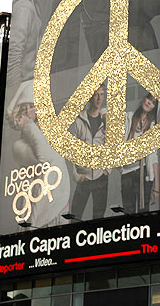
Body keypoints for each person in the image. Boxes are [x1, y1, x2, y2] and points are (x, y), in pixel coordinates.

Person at [7, 81, 70, 228]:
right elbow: (46, 159)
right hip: (37, 217)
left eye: (32, 106)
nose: (29, 112)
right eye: (24, 109)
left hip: (58, 210)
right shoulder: (18, 146)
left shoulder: (54, 134)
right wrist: (28, 125)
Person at [8, 0, 47, 88]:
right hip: (22, 89)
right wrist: (14, 95)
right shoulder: (24, 7)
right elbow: (14, 53)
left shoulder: (30, 5)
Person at [70, 85, 109, 220]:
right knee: (75, 216)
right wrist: (76, 176)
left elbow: (111, 147)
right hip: (84, 177)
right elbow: (71, 151)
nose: (99, 98)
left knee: (99, 218)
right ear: (90, 97)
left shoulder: (106, 121)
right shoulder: (79, 121)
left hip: (101, 177)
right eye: (96, 94)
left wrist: (107, 170)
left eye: (102, 94)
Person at [121, 94, 159, 213]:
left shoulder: (152, 127)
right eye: (149, 99)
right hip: (127, 172)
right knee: (128, 211)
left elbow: (153, 157)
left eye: (153, 102)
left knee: (144, 212)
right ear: (144, 99)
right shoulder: (129, 118)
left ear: (154, 107)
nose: (149, 103)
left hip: (144, 173)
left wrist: (156, 188)